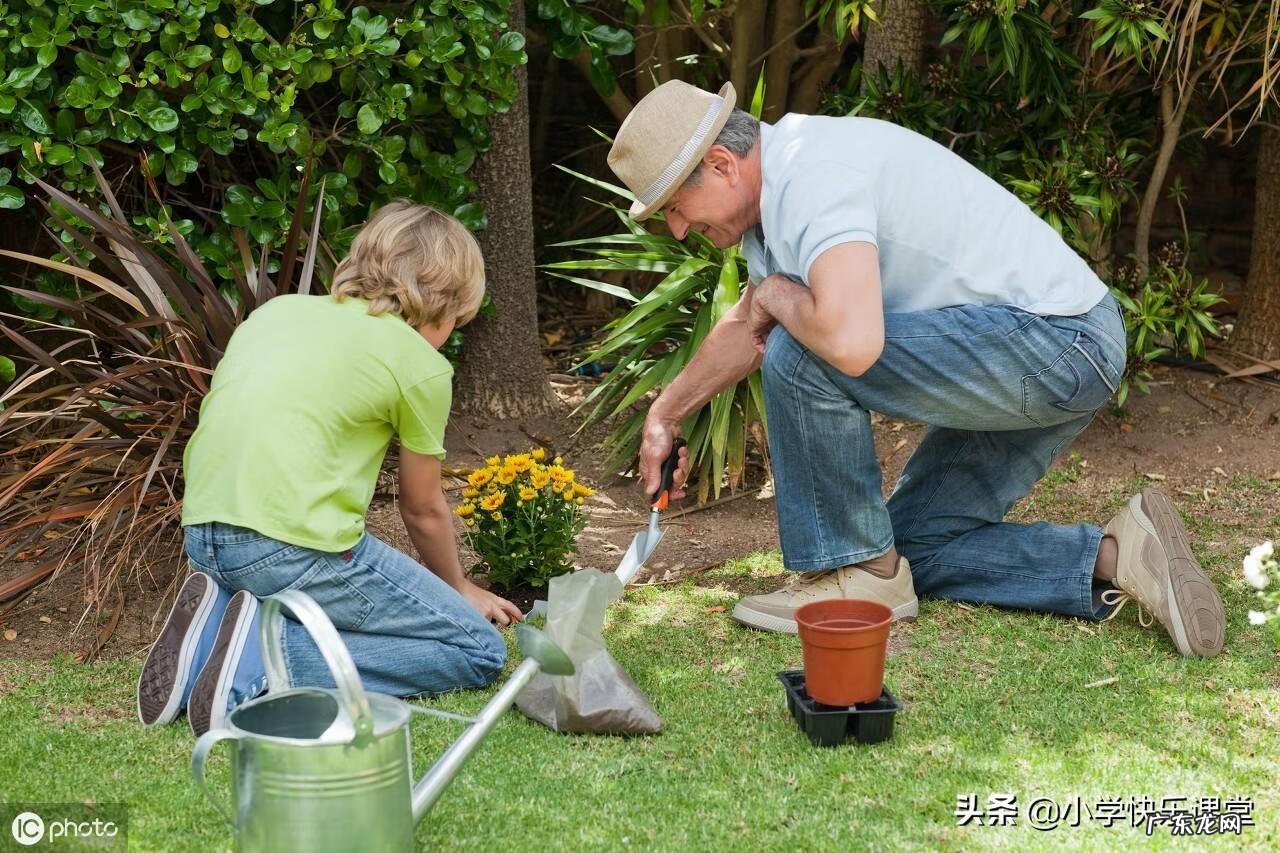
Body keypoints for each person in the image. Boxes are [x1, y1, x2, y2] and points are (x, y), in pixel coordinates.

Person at [606, 80, 1225, 657]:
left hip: (1056, 343)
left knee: (802, 349)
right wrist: (665, 414)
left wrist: (776, 297)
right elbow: (750, 325)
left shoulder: (813, 174)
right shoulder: (776, 204)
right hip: (1040, 350)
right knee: (914, 550)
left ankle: (856, 572)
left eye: (676, 207)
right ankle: (1120, 555)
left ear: (721, 164)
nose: (679, 229)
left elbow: (848, 344)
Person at [137, 201, 523, 736]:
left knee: (298, 588)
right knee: (475, 648)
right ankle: (265, 657)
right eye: (458, 320)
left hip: (203, 537)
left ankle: (213, 638)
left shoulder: (275, 313)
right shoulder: (420, 364)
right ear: (448, 301)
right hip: (291, 549)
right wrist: (458, 586)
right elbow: (422, 507)